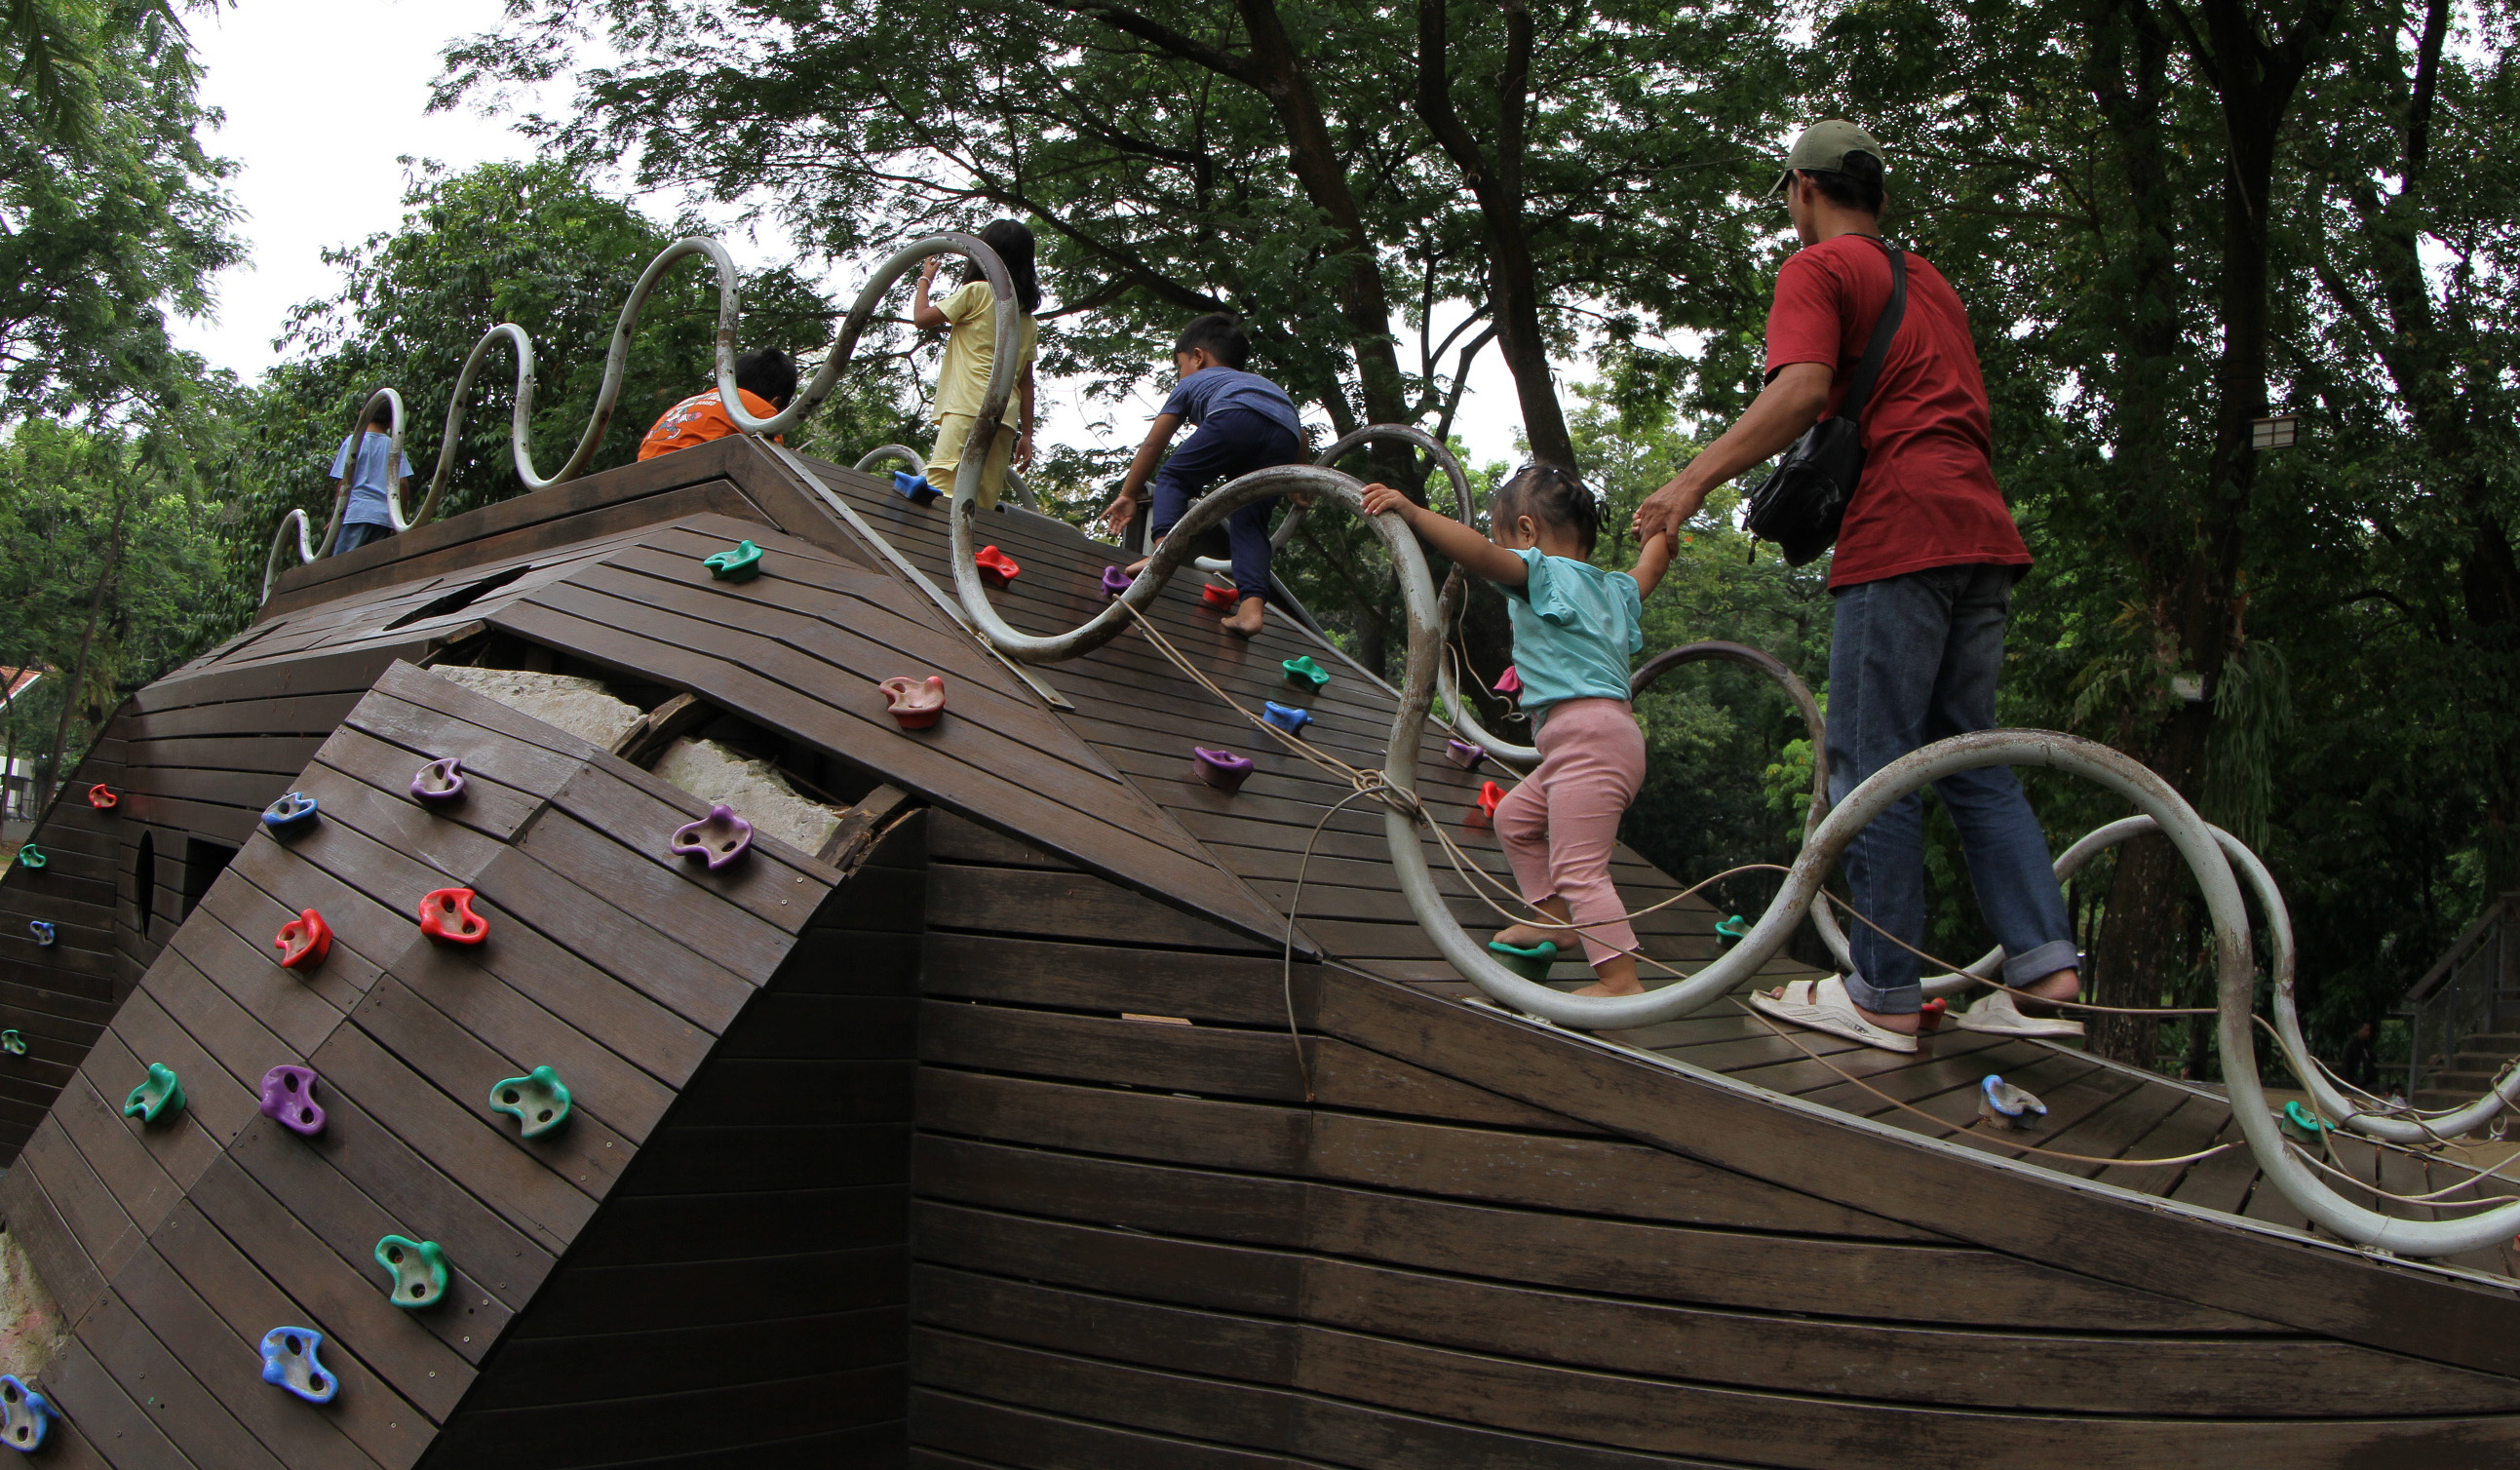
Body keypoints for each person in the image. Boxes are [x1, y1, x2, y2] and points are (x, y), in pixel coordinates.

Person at [1632, 120, 2075, 1054]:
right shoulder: (1934, 285)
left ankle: (1879, 988)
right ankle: (2045, 974)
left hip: (1901, 533)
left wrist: (1687, 482)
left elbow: (1799, 390)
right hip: (1981, 531)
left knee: (1871, 764)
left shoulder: (1819, 270)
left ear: (1801, 187)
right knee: (1966, 754)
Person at [1363, 465, 1674, 996]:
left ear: (1527, 535)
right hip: (1595, 740)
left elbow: (1477, 554)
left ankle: (1621, 981)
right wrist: (1661, 531)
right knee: (1514, 818)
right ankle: (1553, 919)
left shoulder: (1542, 574)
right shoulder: (1615, 590)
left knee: (1580, 868)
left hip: (1587, 741)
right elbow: (1652, 567)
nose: (1501, 553)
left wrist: (1413, 512)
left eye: (1504, 539)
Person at [1101, 314, 1304, 637]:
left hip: (1234, 418)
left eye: (1180, 364)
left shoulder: (1193, 382)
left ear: (1198, 357)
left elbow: (1155, 441)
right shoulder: (1265, 386)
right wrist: (1297, 487)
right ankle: (1252, 611)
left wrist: (1128, 493)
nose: (1180, 373)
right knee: (1250, 522)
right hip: (1285, 436)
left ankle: (1163, 553)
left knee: (1174, 478)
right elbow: (1300, 434)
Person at [910, 218, 1040, 511]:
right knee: (979, 501)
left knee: (941, 492)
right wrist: (1027, 434)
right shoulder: (1027, 320)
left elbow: (921, 318)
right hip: (1004, 420)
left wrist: (925, 280)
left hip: (968, 408)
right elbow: (1026, 382)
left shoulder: (978, 292)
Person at [638, 348, 797, 460]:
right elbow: (774, 471)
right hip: (689, 481)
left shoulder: (690, 402)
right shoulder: (761, 412)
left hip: (642, 484)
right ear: (775, 402)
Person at [327, 401, 416, 556]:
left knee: (343, 569)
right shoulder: (394, 446)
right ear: (391, 422)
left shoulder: (353, 442)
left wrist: (338, 516)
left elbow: (344, 484)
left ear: (362, 414)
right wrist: (399, 520)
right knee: (376, 567)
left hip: (356, 514)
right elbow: (402, 483)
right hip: (384, 519)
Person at [2341, 1020, 2381, 1092]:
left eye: (2369, 1030)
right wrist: (2347, 1085)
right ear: (2360, 1030)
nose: (2368, 1033)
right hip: (2353, 1081)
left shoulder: (2367, 1046)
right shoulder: (2351, 1046)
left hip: (2365, 1082)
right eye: (2366, 1030)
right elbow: (2346, 1066)